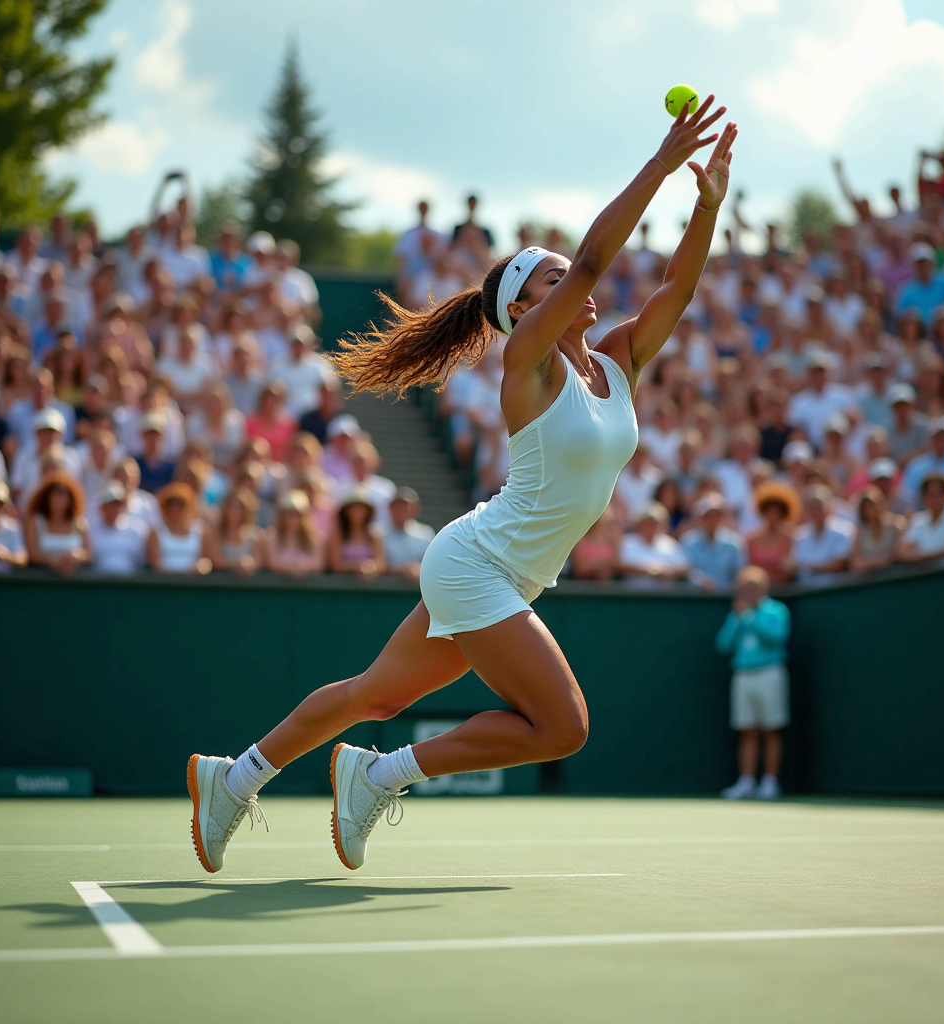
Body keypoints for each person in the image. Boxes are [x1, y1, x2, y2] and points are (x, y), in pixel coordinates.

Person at [187, 99, 737, 874]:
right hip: (480, 567)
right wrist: (659, 165)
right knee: (563, 727)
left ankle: (233, 779)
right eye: (550, 279)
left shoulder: (619, 360)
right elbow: (592, 260)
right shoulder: (529, 363)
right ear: (522, 309)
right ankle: (382, 774)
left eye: (565, 274)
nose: (575, 282)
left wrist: (706, 206)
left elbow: (678, 286)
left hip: (498, 569)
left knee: (375, 696)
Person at [715, 566, 790, 801]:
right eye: (745, 588)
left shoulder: (776, 610)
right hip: (743, 675)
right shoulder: (738, 614)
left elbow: (776, 637)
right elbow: (723, 645)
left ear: (764, 588)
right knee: (747, 731)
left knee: (771, 729)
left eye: (753, 587)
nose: (749, 592)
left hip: (769, 673)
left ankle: (770, 782)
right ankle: (746, 781)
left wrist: (751, 617)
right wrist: (738, 619)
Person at [23, 471, 91, 574]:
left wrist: (75, 556)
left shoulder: (79, 523)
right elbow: (32, 555)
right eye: (55, 494)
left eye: (64, 494)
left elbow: (89, 555)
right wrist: (52, 561)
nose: (59, 499)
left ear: (71, 499)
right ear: (47, 497)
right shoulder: (34, 521)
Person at [896, 472, 944, 563]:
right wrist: (928, 556)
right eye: (931, 494)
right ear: (923, 497)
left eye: (940, 493)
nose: (936, 498)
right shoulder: (918, 520)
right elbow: (902, 551)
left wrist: (919, 557)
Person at [790, 484, 855, 585]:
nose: (815, 511)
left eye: (819, 507)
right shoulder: (800, 535)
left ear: (829, 507)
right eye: (811, 507)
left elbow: (839, 566)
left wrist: (805, 566)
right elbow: (793, 565)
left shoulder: (844, 530)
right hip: (806, 589)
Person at [681, 493, 747, 588]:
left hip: (727, 595)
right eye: (708, 516)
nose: (713, 520)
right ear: (700, 518)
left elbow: (740, 573)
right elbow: (686, 571)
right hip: (695, 595)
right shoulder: (688, 541)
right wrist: (701, 581)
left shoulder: (735, 543)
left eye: (717, 516)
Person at [147, 482, 210, 574]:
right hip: (165, 581)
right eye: (171, 503)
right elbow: (155, 564)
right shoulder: (156, 531)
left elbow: (206, 560)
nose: (175, 508)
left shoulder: (200, 530)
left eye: (181, 503)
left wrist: (200, 567)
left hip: (193, 580)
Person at [88, 481, 149, 575]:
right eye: (109, 504)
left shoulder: (137, 530)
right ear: (101, 506)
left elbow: (144, 561)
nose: (113, 508)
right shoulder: (90, 530)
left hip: (130, 582)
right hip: (98, 581)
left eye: (117, 504)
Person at [617, 502, 689, 581]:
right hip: (633, 588)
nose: (651, 527)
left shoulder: (669, 544)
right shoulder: (627, 542)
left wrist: (668, 571)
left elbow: (685, 568)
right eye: (647, 523)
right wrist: (645, 570)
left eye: (655, 524)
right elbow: (618, 566)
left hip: (665, 588)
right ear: (639, 525)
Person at [263, 489, 323, 578]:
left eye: (296, 514)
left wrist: (300, 568)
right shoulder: (271, 537)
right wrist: (292, 568)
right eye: (287, 513)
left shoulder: (315, 537)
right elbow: (273, 564)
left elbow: (318, 564)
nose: (291, 517)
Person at [746, 482, 798, 584]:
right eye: (769, 511)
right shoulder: (751, 538)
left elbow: (790, 571)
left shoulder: (789, 538)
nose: (772, 516)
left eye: (776, 512)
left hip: (782, 588)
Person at [327, 489, 385, 578]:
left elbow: (381, 564)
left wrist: (370, 568)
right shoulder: (338, 533)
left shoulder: (374, 534)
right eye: (353, 508)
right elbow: (335, 565)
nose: (357, 512)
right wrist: (359, 567)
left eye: (361, 508)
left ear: (368, 511)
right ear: (346, 511)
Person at [850, 485, 906, 574]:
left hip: (896, 575)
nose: (870, 510)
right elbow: (856, 562)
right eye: (866, 507)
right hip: (870, 579)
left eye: (873, 505)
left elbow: (899, 554)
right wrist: (880, 562)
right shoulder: (859, 531)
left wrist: (870, 564)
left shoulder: (897, 524)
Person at [383, 487, 435, 582]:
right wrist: (403, 570)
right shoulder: (380, 534)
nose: (401, 511)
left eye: (406, 507)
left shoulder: (426, 533)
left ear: (416, 509)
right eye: (397, 507)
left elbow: (432, 564)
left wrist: (417, 570)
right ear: (390, 509)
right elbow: (380, 566)